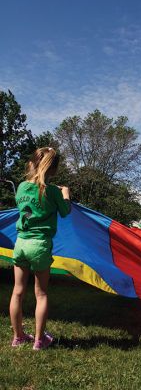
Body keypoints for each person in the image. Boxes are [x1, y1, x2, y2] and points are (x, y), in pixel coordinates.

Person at [9, 147, 71, 350]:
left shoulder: (21, 188)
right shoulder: (52, 191)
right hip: (40, 246)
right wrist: (65, 194)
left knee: (17, 292)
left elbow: (25, 212)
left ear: (31, 164)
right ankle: (39, 340)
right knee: (41, 294)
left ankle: (18, 337)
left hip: (21, 244)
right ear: (53, 170)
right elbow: (65, 212)